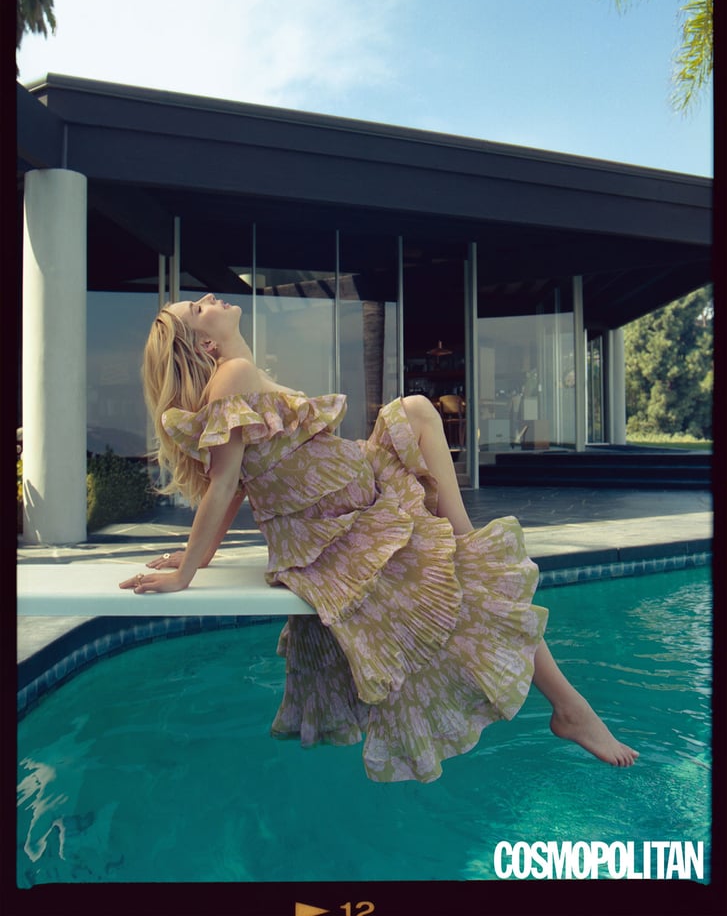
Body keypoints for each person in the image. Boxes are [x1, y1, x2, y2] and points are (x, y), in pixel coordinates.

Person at [120, 293, 638, 782]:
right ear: (206, 345)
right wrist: (188, 569)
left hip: (357, 500)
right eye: (198, 308)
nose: (211, 300)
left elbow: (235, 487)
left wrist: (197, 555)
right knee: (428, 445)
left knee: (414, 411)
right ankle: (569, 706)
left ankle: (466, 543)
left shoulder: (243, 374)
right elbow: (225, 482)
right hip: (341, 526)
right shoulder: (232, 376)